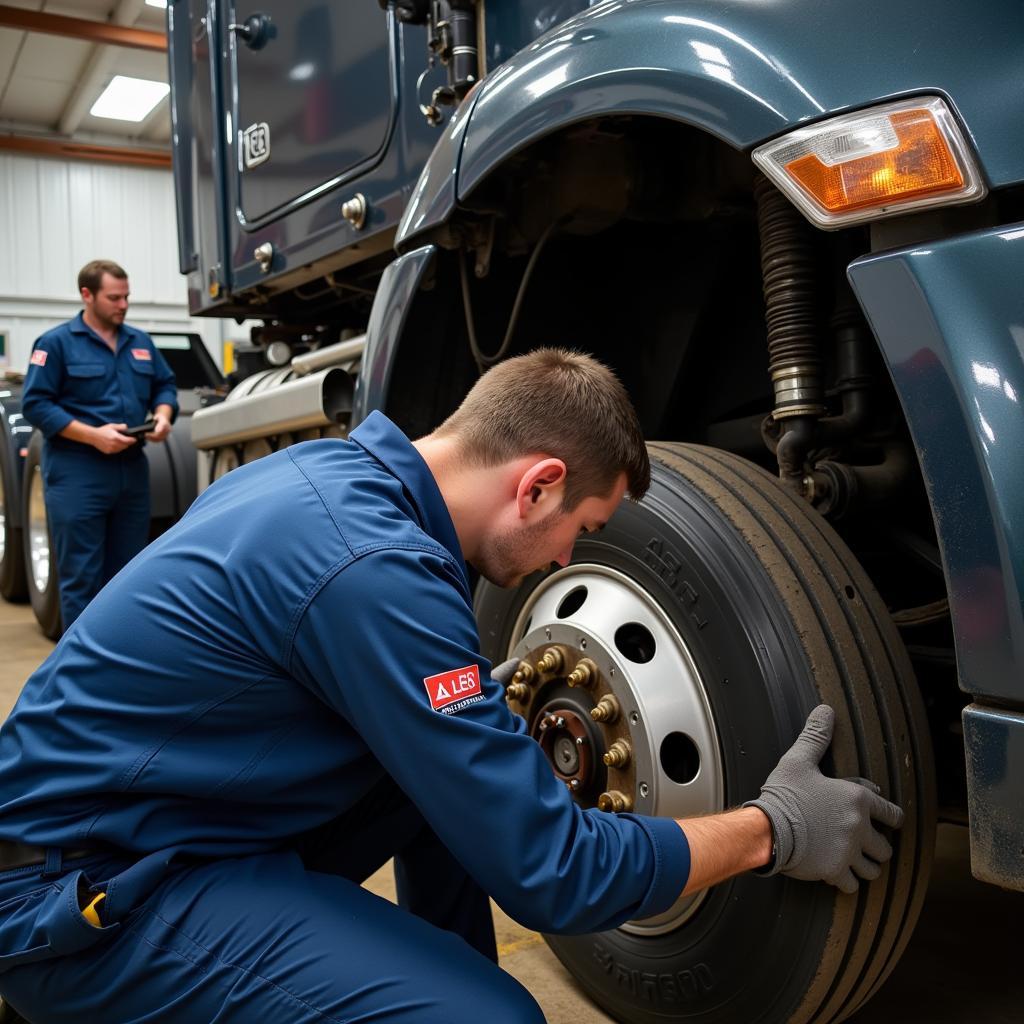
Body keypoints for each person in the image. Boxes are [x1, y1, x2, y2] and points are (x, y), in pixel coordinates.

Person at [0, 349, 901, 1023]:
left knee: (448, 773)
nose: (568, 559)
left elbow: (448, 791)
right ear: (539, 484)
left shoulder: (334, 481)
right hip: (79, 899)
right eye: (579, 530)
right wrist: (769, 831)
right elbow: (555, 874)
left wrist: (471, 717)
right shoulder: (372, 566)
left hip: (158, 827)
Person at [20, 259, 178, 629]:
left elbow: (164, 385)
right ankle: (82, 670)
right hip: (78, 471)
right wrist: (94, 435)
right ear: (87, 295)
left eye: (126, 297)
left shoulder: (140, 342)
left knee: (130, 573)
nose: (123, 305)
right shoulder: (55, 343)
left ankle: (120, 659)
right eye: (113, 298)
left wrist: (164, 415)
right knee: (81, 575)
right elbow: (36, 404)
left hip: (131, 470)